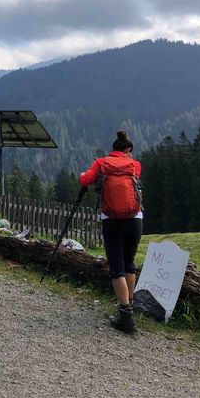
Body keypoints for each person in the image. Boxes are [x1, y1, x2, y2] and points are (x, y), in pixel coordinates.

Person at [79, 131, 143, 334]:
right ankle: (129, 306)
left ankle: (126, 316)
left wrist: (82, 175)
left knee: (116, 266)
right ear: (127, 150)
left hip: (111, 219)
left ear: (113, 148)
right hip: (135, 218)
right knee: (129, 263)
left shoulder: (101, 163)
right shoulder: (135, 164)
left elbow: (86, 180)